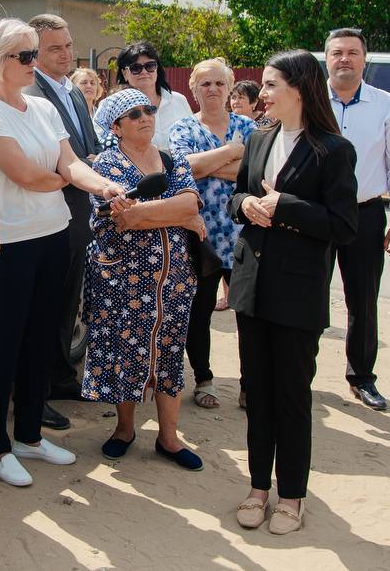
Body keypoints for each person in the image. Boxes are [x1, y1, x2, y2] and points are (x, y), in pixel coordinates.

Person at [0, 18, 126, 489]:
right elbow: (29, 176)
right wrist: (68, 179)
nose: (35, 63)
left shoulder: (41, 108)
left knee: (41, 341)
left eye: (36, 53)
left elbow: (70, 162)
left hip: (53, 232)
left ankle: (30, 435)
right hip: (9, 244)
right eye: (25, 55)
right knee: (3, 345)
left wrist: (105, 186)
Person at [227, 50, 358, 536]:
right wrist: (249, 207)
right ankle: (258, 487)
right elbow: (236, 197)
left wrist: (285, 207)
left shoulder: (333, 149)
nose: (261, 94)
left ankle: (292, 496)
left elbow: (344, 226)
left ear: (299, 88)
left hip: (298, 294)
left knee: (291, 397)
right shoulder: (258, 137)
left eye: (269, 84)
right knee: (256, 393)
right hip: (251, 287)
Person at [84, 88, 205, 470]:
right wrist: (178, 215)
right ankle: (124, 430)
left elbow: (190, 203)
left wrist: (153, 212)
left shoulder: (171, 159)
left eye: (148, 110)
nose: (144, 117)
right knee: (126, 353)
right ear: (116, 127)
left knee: (169, 352)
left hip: (175, 279)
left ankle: (169, 439)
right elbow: (122, 218)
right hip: (123, 279)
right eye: (134, 114)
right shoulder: (105, 166)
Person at [324, 28, 390, 411]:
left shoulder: (387, 105)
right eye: (337, 53)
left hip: (365, 214)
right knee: (307, 295)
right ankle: (300, 375)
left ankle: (361, 377)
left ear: (365, 59)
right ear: (325, 58)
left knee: (363, 300)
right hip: (317, 214)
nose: (345, 59)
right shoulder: (308, 101)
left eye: (352, 53)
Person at [26, 14, 102, 429]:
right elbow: (49, 157)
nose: (67, 54)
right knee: (44, 309)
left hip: (78, 214)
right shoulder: (29, 92)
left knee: (66, 304)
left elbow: (88, 145)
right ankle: (35, 395)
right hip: (45, 216)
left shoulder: (72, 91)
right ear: (33, 52)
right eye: (55, 48)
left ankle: (59, 377)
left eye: (69, 45)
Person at [169, 58, 255, 409]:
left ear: (230, 87)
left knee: (249, 316)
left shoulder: (249, 126)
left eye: (220, 83)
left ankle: (251, 383)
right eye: (205, 84)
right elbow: (185, 167)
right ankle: (204, 378)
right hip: (200, 236)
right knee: (199, 312)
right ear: (193, 89)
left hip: (246, 235)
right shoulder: (183, 127)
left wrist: (212, 163)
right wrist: (232, 154)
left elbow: (255, 173)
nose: (213, 90)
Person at [111, 42, 193, 150]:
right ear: (125, 73)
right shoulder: (112, 104)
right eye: (136, 68)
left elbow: (193, 137)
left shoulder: (179, 100)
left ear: (157, 69)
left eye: (150, 66)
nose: (144, 72)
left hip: (181, 165)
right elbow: (100, 141)